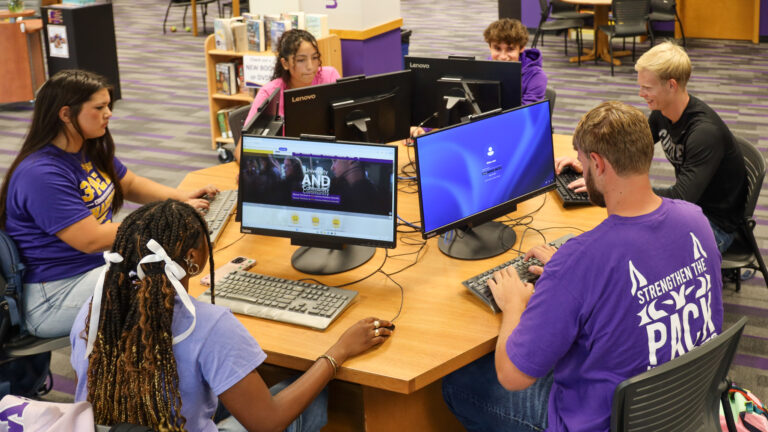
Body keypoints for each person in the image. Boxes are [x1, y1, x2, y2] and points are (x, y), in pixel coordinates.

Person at [442, 101, 724, 431]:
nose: (577, 166)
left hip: (598, 422)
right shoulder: (696, 220)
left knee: (457, 383)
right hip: (676, 406)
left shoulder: (580, 261)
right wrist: (568, 275)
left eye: (579, 160)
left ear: (597, 164)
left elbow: (512, 376)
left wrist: (514, 305)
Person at [69, 199, 394, 432]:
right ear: (194, 258)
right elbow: (268, 423)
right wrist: (338, 352)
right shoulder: (209, 324)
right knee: (318, 394)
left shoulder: (96, 308)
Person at [0, 70, 218, 338]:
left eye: (108, 106)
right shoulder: (41, 174)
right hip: (54, 294)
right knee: (166, 289)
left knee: (170, 275)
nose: (109, 113)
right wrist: (164, 219)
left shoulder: (86, 147)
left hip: (93, 266)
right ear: (66, 114)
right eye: (99, 107)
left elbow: (129, 184)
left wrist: (180, 198)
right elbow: (90, 239)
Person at [556, 42, 746, 252]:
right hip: (689, 208)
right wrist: (590, 165)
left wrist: (611, 187)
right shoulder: (662, 113)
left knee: (637, 250)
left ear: (671, 85)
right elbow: (626, 151)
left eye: (647, 88)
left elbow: (681, 196)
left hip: (715, 224)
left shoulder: (704, 133)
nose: (640, 93)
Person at [235, 29, 340, 163]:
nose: (310, 67)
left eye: (315, 58)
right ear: (285, 63)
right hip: (288, 164)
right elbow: (241, 149)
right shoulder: (270, 93)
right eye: (301, 60)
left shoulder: (329, 76)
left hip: (327, 160)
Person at [484, 18, 547, 106]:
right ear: (490, 47)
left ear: (521, 48)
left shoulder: (536, 76)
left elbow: (525, 113)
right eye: (497, 48)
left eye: (510, 49)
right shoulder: (485, 68)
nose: (503, 57)